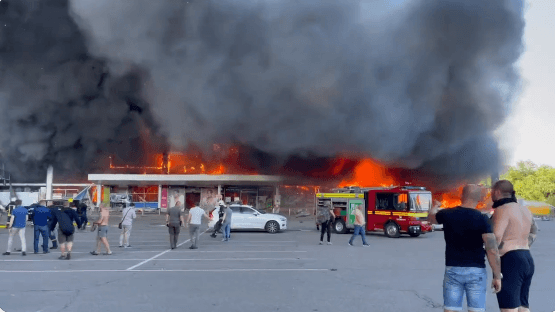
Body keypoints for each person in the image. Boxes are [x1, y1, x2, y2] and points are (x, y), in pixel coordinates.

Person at [428, 184, 502, 312]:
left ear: (461, 196)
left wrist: (435, 206)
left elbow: (431, 218)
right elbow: (492, 249)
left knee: (451, 309)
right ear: (479, 199)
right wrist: (497, 276)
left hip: (453, 270)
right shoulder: (482, 219)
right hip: (476, 271)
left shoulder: (447, 214)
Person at [490, 180, 536, 312]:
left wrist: (496, 274)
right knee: (523, 307)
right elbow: (533, 232)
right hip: (527, 258)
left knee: (508, 309)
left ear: (497, 192)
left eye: (492, 193)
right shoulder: (525, 210)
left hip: (510, 261)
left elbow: (496, 238)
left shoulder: (502, 210)